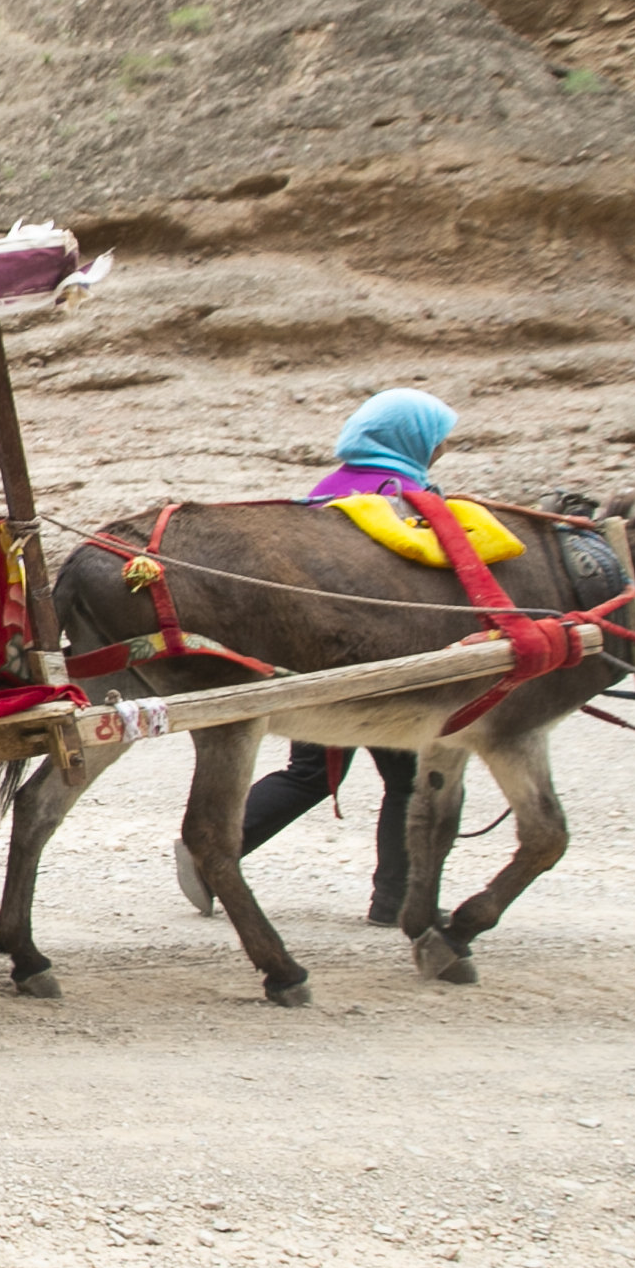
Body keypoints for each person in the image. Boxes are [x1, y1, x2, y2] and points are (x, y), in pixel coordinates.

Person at [202, 388, 456, 925]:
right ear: (413, 440)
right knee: (409, 777)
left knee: (310, 771)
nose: (442, 451)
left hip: (308, 649)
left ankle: (211, 850)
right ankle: (397, 900)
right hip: (377, 656)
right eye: (438, 442)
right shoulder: (402, 497)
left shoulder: (331, 487)